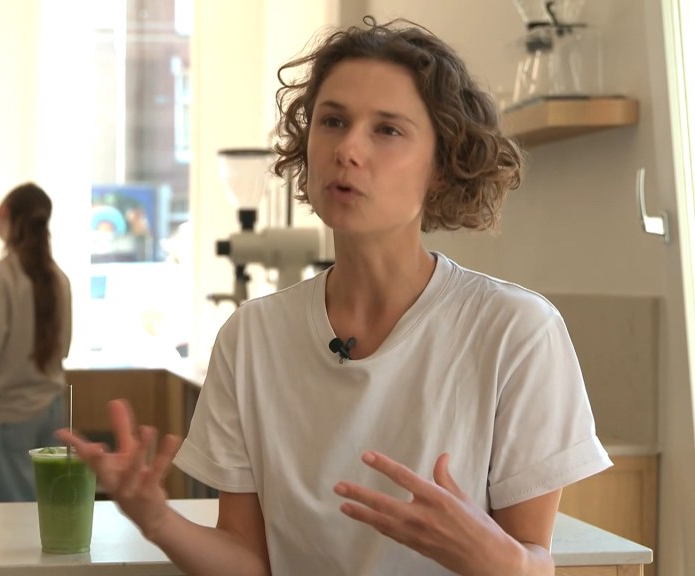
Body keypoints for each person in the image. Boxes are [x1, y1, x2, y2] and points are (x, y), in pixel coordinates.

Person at [58, 17, 612, 575]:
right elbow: (248, 560)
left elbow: (533, 559)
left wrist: (492, 557)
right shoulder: (252, 338)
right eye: (333, 121)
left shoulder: (515, 331)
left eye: (387, 130)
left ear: (442, 168)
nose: (347, 148)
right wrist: (156, 518)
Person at [0, 182, 72, 502]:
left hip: (6, 413)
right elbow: (63, 346)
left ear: (5, 212)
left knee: (6, 517)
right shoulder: (59, 279)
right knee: (47, 506)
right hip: (51, 409)